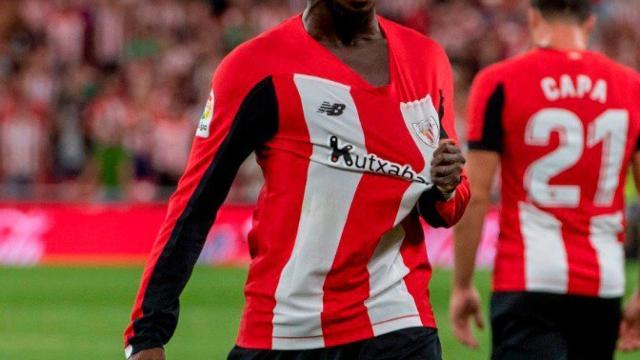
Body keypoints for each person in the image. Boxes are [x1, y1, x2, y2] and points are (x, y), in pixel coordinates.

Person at [124, 1, 470, 359]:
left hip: (399, 324)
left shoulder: (425, 59)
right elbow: (196, 203)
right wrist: (148, 334)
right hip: (285, 332)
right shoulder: (255, 67)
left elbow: (446, 202)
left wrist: (447, 185)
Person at [450, 1, 640, 359]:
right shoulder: (631, 87)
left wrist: (462, 285)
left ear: (534, 16)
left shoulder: (498, 82)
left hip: (527, 276)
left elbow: (474, 195)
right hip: (602, 282)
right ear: (590, 22)